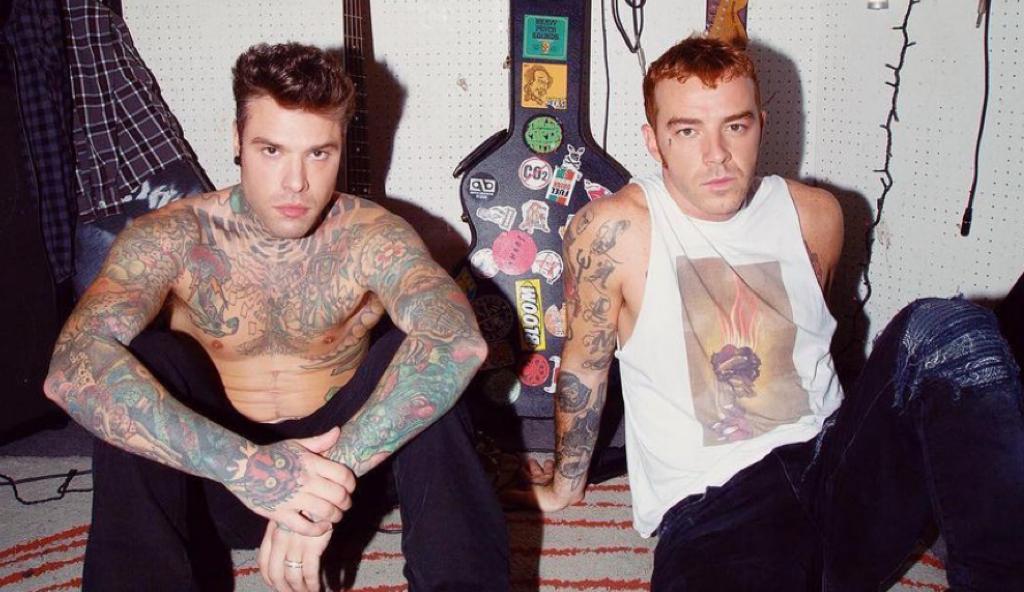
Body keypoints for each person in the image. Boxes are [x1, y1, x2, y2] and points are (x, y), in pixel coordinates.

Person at [507, 34, 1024, 590]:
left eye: (735, 125)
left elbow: (810, 343)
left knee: (951, 327)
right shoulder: (615, 230)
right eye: (687, 131)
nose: (717, 155)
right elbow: (585, 367)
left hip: (838, 471)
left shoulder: (817, 215)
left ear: (761, 124)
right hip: (718, 509)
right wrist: (565, 486)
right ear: (653, 141)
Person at [45, 42, 509, 592]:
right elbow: (71, 368)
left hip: (348, 478)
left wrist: (321, 482)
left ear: (341, 148)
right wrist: (250, 468)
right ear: (236, 140)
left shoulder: (372, 236)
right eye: (271, 150)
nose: (295, 182)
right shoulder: (173, 235)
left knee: (419, 362)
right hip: (215, 480)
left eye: (318, 154)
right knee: (145, 360)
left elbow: (458, 342)